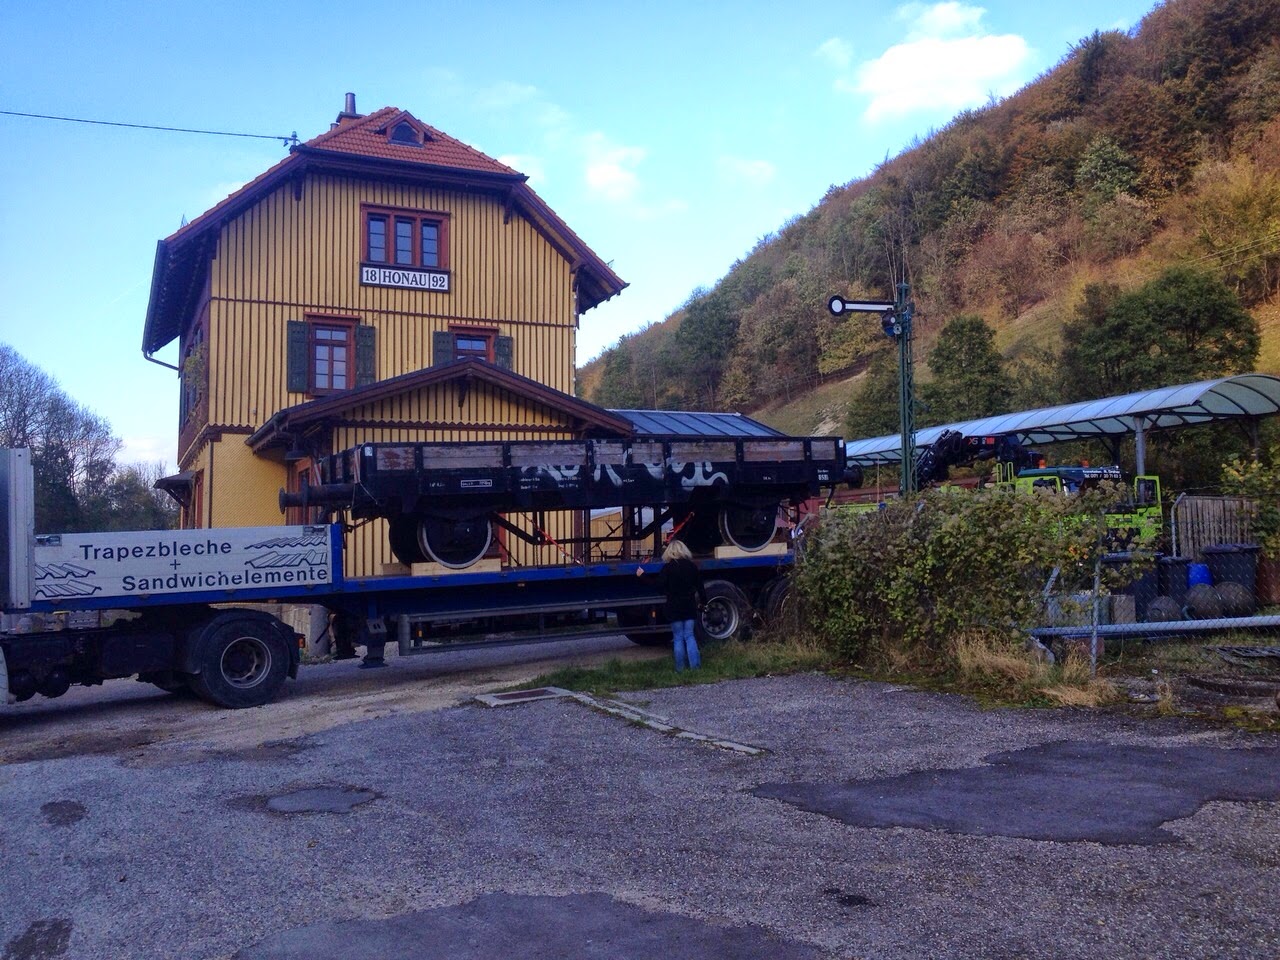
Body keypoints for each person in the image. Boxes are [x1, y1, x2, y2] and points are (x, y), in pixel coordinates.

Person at [636, 539, 706, 672]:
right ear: (684, 550)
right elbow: (700, 588)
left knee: (678, 637)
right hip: (689, 606)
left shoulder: (668, 568)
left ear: (669, 552)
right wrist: (704, 603)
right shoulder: (692, 567)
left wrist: (642, 575)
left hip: (674, 607)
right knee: (690, 636)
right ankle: (695, 668)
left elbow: (658, 585)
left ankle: (680, 669)